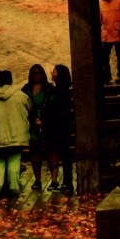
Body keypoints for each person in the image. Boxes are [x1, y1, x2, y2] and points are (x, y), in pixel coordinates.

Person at [0, 68, 31, 199]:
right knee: (14, 161)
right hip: (17, 135)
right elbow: (29, 108)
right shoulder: (20, 95)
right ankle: (13, 187)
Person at [45, 64, 76, 192]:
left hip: (60, 127)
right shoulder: (58, 89)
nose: (52, 72)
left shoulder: (60, 91)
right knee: (64, 155)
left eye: (55, 71)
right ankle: (66, 183)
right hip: (60, 126)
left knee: (65, 155)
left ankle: (67, 183)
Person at [22, 64, 51, 191]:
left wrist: (44, 119)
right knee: (34, 153)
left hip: (48, 124)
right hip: (32, 125)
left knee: (50, 151)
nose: (36, 75)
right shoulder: (26, 89)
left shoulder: (49, 89)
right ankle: (37, 179)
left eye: (39, 73)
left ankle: (54, 180)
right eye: (34, 73)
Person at [98, 0, 120, 83]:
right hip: (106, 34)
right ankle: (106, 76)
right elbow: (100, 16)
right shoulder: (102, 3)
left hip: (119, 33)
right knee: (104, 56)